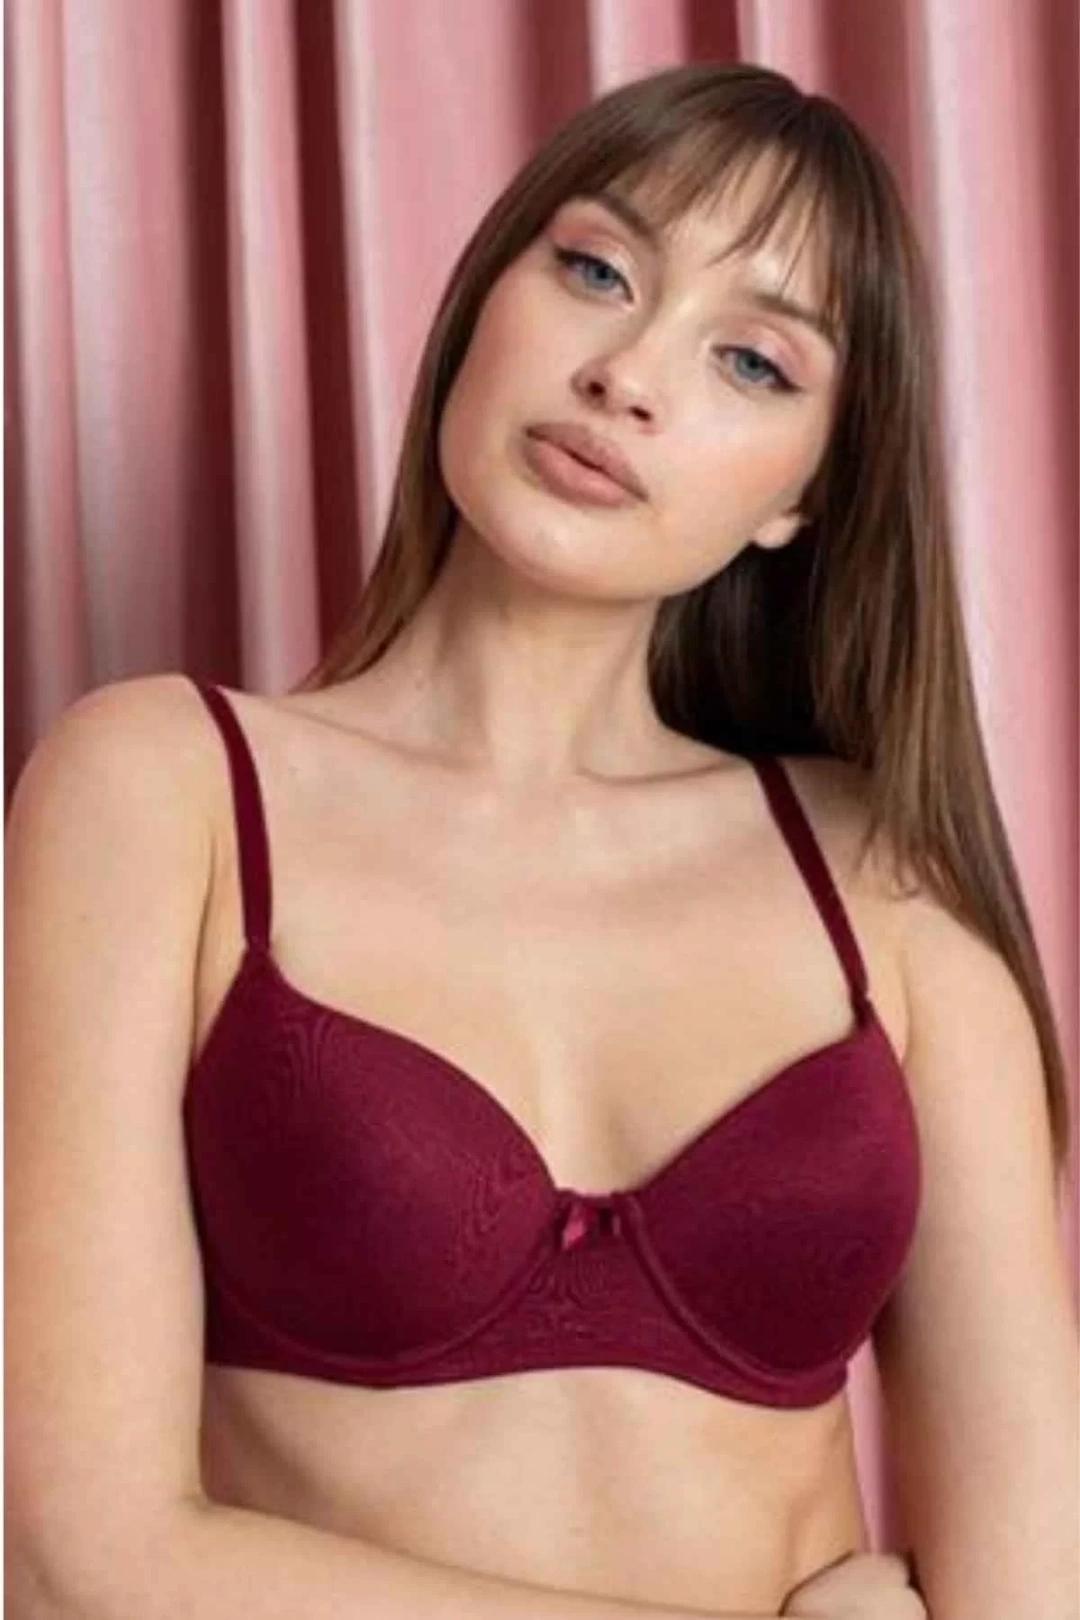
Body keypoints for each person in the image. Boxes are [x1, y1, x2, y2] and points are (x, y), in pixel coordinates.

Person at [7, 60, 1076, 1620]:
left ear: (802, 498)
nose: (629, 374)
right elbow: (71, 1558)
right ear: (481, 301)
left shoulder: (882, 883)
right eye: (596, 271)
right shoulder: (163, 792)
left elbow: (1036, 1583)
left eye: (753, 361)